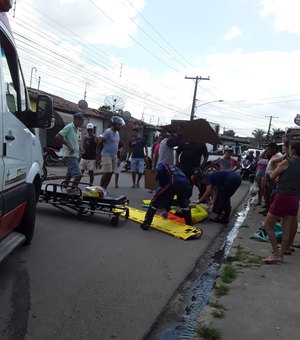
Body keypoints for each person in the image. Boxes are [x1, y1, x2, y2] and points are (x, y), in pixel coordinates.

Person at [262, 141, 300, 263]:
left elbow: (272, 177)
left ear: (292, 150)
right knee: (286, 228)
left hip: (283, 196)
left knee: (268, 225)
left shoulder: (286, 162)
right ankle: (281, 255)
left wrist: (280, 179)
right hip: (295, 198)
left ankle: (276, 253)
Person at [140, 163, 193, 231]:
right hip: (186, 184)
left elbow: (162, 182)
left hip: (174, 182)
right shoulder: (174, 168)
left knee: (155, 200)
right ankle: (190, 225)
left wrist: (162, 187)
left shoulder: (161, 166)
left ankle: (146, 223)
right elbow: (171, 195)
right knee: (183, 203)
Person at [55, 112, 84, 191]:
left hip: (75, 155)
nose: (82, 122)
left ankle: (63, 192)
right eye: (81, 120)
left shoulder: (76, 129)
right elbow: (58, 136)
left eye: (83, 121)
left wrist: (80, 148)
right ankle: (71, 191)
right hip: (70, 155)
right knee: (78, 175)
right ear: (76, 119)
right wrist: (69, 146)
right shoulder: (69, 127)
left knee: (69, 176)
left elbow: (74, 140)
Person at [96, 116, 125, 190]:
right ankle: (100, 189)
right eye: (119, 125)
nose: (120, 127)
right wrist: (98, 156)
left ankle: (104, 189)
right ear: (114, 124)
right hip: (106, 155)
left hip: (114, 156)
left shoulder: (117, 133)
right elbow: (100, 144)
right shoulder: (108, 132)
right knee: (107, 172)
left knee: (111, 172)